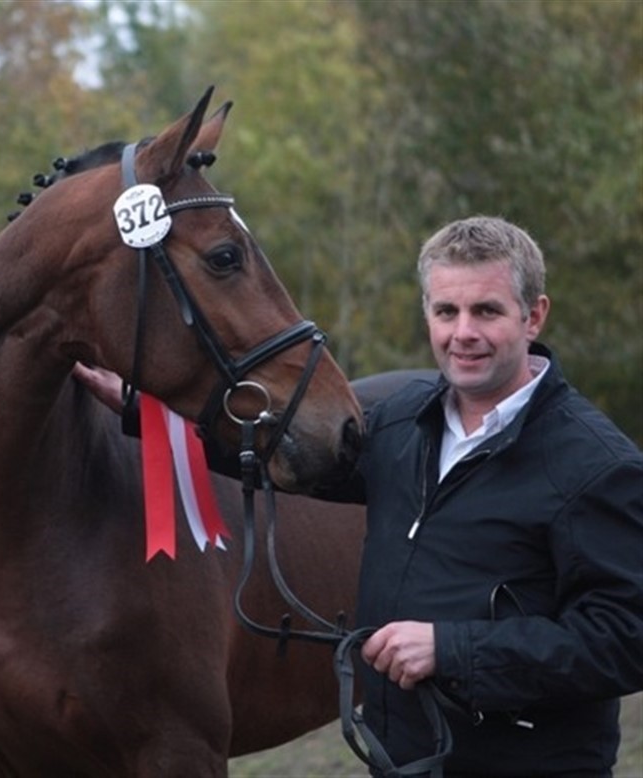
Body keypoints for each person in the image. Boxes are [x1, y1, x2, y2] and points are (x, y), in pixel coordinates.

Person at [75, 215, 643, 775]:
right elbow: (287, 461)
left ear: (533, 316)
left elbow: (627, 639)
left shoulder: (595, 466)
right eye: (447, 311)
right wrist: (143, 412)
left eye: (486, 311)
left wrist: (452, 650)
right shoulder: (401, 423)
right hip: (405, 761)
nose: (463, 333)